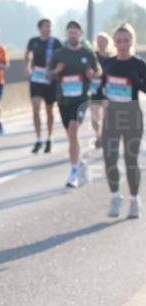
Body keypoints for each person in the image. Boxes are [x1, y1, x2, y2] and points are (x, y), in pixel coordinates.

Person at [98, 23, 144, 218]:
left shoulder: (139, 64)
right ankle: (115, 197)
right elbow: (100, 87)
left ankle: (134, 200)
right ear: (114, 42)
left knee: (130, 160)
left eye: (126, 40)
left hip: (132, 115)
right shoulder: (108, 63)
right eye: (119, 41)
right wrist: (101, 99)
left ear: (132, 42)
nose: (122, 44)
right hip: (112, 116)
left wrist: (137, 81)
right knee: (109, 158)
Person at [48, 21, 100, 188]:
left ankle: (73, 172)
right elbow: (47, 75)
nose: (72, 34)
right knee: (71, 135)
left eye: (75, 32)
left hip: (81, 99)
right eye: (70, 32)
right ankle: (78, 162)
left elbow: (98, 73)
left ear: (80, 34)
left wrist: (92, 74)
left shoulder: (87, 53)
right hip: (63, 99)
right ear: (66, 34)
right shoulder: (58, 54)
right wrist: (56, 71)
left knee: (73, 128)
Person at [25, 18, 63, 153]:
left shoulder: (55, 42)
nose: (48, 28)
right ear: (40, 28)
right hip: (36, 77)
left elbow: (62, 58)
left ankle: (49, 137)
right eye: (46, 26)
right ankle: (38, 139)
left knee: (49, 110)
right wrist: (28, 67)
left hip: (49, 79)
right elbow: (28, 56)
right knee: (35, 108)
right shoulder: (33, 41)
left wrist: (56, 71)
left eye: (50, 26)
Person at [91, 32, 117, 149]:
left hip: (108, 89)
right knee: (94, 117)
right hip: (95, 89)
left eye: (103, 40)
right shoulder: (92, 56)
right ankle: (98, 135)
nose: (101, 42)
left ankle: (105, 136)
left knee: (106, 116)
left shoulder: (113, 57)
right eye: (99, 40)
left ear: (108, 42)